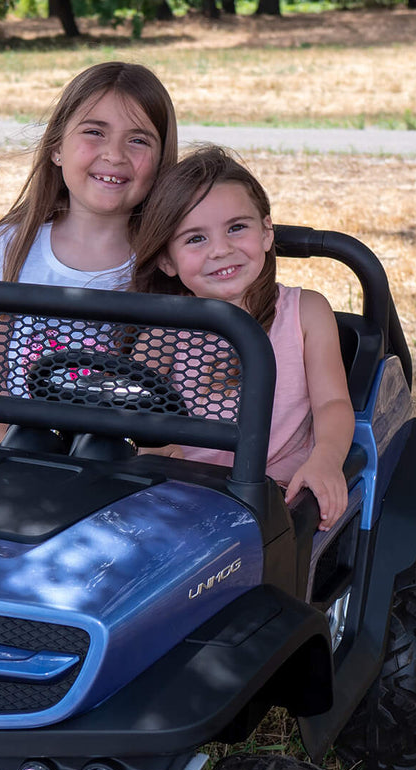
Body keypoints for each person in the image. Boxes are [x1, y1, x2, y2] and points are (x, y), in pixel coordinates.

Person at [130, 146, 353, 528]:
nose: (221, 249)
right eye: (195, 239)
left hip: (279, 493)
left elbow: (332, 402)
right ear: (167, 260)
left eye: (237, 228)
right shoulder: (164, 331)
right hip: (186, 495)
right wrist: (154, 449)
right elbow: (138, 414)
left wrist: (326, 460)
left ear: (266, 232)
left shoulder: (306, 313)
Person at [0, 61, 178, 441]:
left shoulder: (163, 263)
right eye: (94, 132)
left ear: (161, 162)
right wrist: (10, 446)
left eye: (138, 139)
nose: (114, 155)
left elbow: (151, 399)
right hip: (6, 445)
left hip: (104, 458)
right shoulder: (12, 245)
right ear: (57, 148)